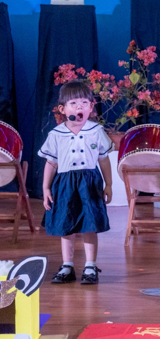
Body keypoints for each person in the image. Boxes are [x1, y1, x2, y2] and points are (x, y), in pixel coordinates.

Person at [40, 80, 113, 285]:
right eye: (73, 103)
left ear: (91, 107)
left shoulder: (96, 131)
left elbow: (103, 159)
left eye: (84, 102)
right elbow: (51, 163)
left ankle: (90, 265)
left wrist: (108, 184)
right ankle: (67, 265)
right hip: (65, 184)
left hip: (89, 183)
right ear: (63, 109)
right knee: (66, 225)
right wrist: (46, 187)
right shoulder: (56, 135)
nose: (79, 106)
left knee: (90, 224)